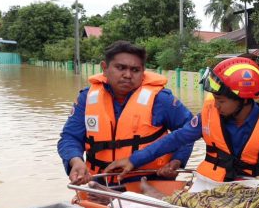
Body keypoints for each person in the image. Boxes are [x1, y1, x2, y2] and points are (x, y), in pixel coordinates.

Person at [105, 57, 259, 182]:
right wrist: (134, 159)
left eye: (221, 100)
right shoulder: (209, 115)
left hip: (255, 188)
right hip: (215, 183)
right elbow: (176, 138)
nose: (215, 105)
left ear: (244, 100)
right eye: (214, 99)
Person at [58, 41, 194, 185]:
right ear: (104, 68)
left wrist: (177, 161)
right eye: (120, 68)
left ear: (143, 71)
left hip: (149, 182)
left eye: (135, 70)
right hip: (100, 182)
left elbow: (189, 130)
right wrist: (75, 160)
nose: (127, 75)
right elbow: (70, 137)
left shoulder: (161, 99)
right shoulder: (87, 98)